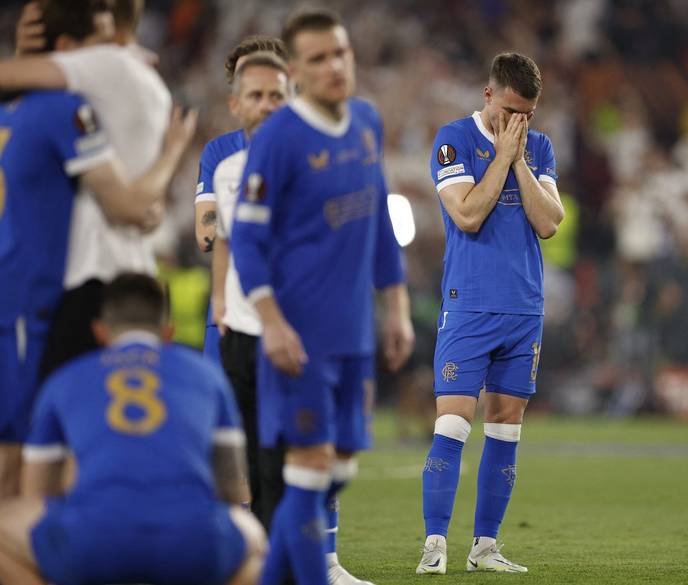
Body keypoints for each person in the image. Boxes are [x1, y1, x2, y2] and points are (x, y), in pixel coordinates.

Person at [230, 8, 414, 585]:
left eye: (341, 53)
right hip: (299, 340)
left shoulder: (366, 121)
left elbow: (379, 218)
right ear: (298, 74)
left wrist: (397, 304)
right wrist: (273, 322)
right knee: (309, 473)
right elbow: (248, 242)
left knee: (338, 470)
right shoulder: (278, 139)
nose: (334, 66)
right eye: (318, 59)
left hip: (354, 334)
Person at [0, 0, 196, 499]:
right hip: (75, 288)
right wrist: (172, 155)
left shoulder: (37, 105)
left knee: (35, 444)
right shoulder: (84, 96)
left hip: (54, 285)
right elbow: (133, 206)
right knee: (56, 444)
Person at [0, 273, 266, 585]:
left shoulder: (66, 378)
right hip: (189, 543)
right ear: (168, 332)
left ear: (100, 332)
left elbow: (38, 495)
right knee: (255, 541)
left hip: (93, 542)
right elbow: (231, 490)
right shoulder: (207, 377)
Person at [416, 52, 564, 575]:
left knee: (506, 430)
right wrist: (501, 155)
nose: (516, 123)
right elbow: (468, 214)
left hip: (524, 308)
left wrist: (519, 156)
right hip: (469, 306)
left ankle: (485, 546)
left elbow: (549, 223)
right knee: (453, 423)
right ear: (488, 95)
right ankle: (435, 545)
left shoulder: (538, 147)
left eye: (527, 115)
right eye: (508, 111)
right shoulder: (453, 139)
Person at [0, 0, 175, 379]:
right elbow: (137, 207)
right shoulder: (144, 81)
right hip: (132, 274)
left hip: (87, 277)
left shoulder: (95, 74)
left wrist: (23, 58)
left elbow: (125, 206)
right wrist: (172, 155)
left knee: (53, 419)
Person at [206, 49, 289, 527]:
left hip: (295, 331)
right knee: (253, 457)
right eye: (256, 95)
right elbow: (223, 241)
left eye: (276, 95)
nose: (267, 104)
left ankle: (316, 556)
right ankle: (264, 559)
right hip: (241, 329)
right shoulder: (227, 170)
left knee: (299, 456)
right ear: (236, 105)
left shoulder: (315, 164)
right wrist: (220, 303)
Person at [196, 35, 288, 367]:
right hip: (230, 314)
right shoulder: (220, 155)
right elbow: (206, 235)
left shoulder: (312, 150)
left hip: (292, 311)